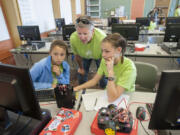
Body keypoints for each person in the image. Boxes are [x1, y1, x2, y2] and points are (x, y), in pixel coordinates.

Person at [74, 33, 137, 102]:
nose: (103, 55)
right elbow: (94, 81)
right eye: (102, 51)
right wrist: (77, 88)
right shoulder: (105, 60)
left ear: (119, 50)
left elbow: (112, 98)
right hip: (109, 92)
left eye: (107, 51)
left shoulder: (129, 68)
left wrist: (110, 72)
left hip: (124, 96)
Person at [70, 15, 107, 88]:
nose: (82, 37)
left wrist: (101, 71)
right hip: (84, 56)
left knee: (103, 77)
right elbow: (77, 56)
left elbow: (105, 58)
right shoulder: (73, 38)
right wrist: (81, 68)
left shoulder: (102, 38)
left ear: (92, 31)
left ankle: (103, 89)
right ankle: (82, 91)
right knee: (81, 75)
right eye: (79, 34)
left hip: (100, 56)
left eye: (85, 33)